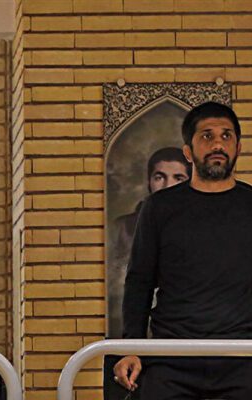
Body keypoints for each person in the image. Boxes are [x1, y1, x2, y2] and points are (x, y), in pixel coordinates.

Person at [113, 102, 252, 399]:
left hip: (240, 359)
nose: (217, 144)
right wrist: (132, 347)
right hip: (170, 359)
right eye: (207, 136)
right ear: (188, 151)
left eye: (226, 136)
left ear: (238, 147)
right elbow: (139, 281)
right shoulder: (159, 208)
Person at [105, 148, 190, 399]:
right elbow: (133, 283)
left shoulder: (201, 227)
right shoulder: (124, 226)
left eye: (178, 178)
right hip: (142, 340)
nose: (167, 185)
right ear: (148, 181)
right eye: (159, 177)